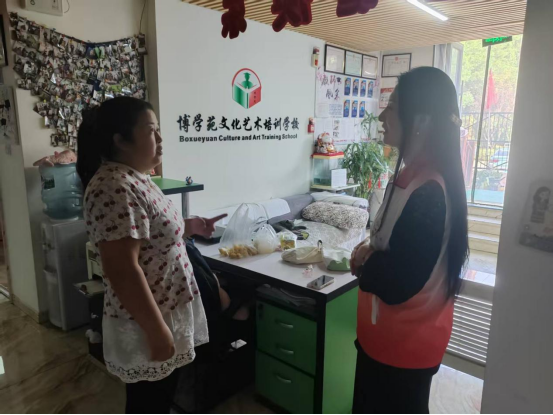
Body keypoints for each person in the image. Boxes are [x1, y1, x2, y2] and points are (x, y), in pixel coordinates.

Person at [77, 97, 226, 415]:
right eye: (151, 131)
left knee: (159, 398)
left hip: (166, 308)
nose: (160, 139)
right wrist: (157, 331)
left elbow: (151, 232)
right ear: (120, 140)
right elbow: (122, 270)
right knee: (148, 404)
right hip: (149, 319)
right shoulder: (113, 186)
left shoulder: (136, 176)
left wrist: (190, 226)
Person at [350, 67, 469, 414]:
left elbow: (397, 282)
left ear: (422, 120)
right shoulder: (412, 175)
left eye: (392, 106)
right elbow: (394, 246)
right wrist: (370, 250)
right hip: (384, 340)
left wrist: (364, 263)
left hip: (403, 350)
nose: (382, 116)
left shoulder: (429, 190)